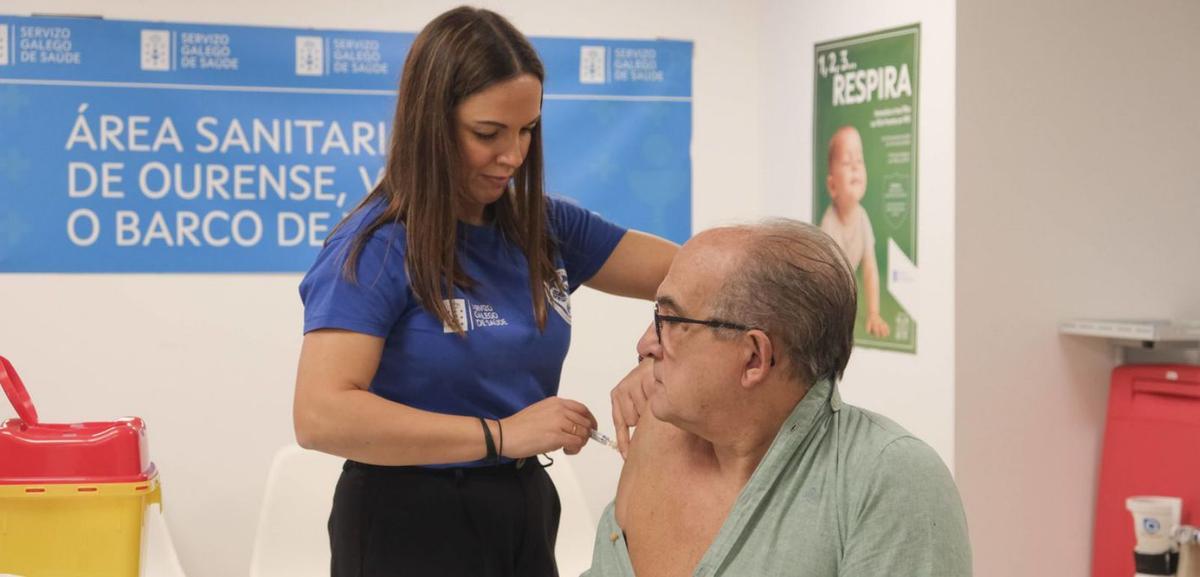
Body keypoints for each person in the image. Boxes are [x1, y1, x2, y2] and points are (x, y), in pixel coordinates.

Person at [292, 7, 674, 577]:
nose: (514, 156)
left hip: (522, 506)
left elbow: (708, 277)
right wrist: (501, 435)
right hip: (409, 521)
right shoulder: (379, 246)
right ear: (430, 122)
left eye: (527, 131)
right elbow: (320, 416)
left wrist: (659, 348)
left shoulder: (544, 226)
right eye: (487, 134)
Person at [585, 220, 972, 576]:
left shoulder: (889, 479)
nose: (645, 344)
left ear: (754, 357)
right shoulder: (658, 435)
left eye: (670, 321)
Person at [819, 125, 890, 338]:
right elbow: (823, 279)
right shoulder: (829, 225)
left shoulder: (862, 218)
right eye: (848, 163)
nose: (856, 168)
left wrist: (874, 313)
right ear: (832, 186)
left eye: (859, 161)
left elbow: (869, 267)